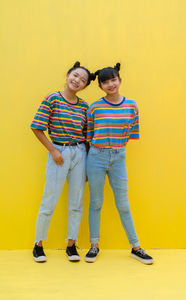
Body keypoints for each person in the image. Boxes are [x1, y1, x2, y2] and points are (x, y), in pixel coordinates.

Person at [85, 63, 154, 264]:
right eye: (105, 82)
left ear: (120, 80)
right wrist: (91, 161)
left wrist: (117, 148)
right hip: (95, 157)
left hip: (119, 157)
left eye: (113, 79)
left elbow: (132, 131)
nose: (110, 84)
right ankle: (94, 245)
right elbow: (88, 135)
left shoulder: (131, 105)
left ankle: (136, 247)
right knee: (96, 203)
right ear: (100, 87)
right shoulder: (95, 107)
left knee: (123, 204)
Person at [31, 61, 94, 263]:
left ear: (85, 86)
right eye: (75, 76)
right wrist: (53, 151)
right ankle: (38, 244)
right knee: (49, 199)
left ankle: (71, 245)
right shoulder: (53, 98)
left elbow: (86, 136)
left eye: (83, 80)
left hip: (80, 154)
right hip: (59, 152)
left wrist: (86, 165)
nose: (77, 81)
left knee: (76, 202)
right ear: (68, 75)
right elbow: (36, 127)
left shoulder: (84, 106)